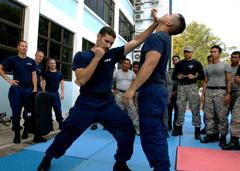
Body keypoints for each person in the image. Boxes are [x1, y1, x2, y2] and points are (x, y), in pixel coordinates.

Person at [38, 9, 161, 171]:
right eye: (106, 41)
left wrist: (155, 23)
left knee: (127, 128)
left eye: (111, 43)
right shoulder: (82, 56)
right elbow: (81, 79)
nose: (108, 45)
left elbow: (137, 40)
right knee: (67, 132)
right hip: (86, 103)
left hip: (106, 103)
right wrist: (97, 57)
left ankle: (120, 163)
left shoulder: (113, 54)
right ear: (98, 37)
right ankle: (48, 157)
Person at [123, 13, 186, 171]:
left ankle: (161, 167)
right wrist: (156, 21)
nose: (166, 14)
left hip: (151, 90)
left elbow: (149, 65)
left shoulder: (157, 38)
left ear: (170, 22)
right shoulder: (163, 37)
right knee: (157, 130)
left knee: (151, 133)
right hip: (156, 90)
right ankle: (162, 166)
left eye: (169, 14)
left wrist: (131, 89)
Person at [0, 40, 37, 143]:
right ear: (18, 47)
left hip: (29, 89)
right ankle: (17, 133)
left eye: (26, 46)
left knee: (28, 112)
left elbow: (34, 75)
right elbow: (0, 68)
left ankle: (26, 129)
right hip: (17, 90)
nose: (24, 48)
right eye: (22, 46)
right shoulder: (12, 59)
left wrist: (34, 88)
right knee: (16, 113)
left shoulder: (31, 61)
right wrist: (9, 80)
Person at [200, 45, 232, 148]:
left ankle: (222, 137)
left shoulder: (225, 65)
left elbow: (229, 80)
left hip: (221, 91)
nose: (212, 53)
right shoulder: (207, 67)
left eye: (215, 52)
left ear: (219, 53)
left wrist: (228, 93)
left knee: (222, 116)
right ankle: (210, 135)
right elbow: (205, 81)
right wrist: (203, 94)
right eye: (211, 52)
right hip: (209, 91)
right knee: (208, 115)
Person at [171, 46, 204, 140]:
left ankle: (197, 131)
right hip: (181, 87)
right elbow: (173, 76)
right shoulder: (179, 64)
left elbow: (202, 76)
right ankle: (178, 129)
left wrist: (194, 77)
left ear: (192, 52)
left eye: (188, 52)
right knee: (180, 109)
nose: (187, 53)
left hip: (192, 87)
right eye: (185, 52)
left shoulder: (196, 63)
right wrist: (178, 77)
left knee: (195, 109)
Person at [22, 50, 47, 142]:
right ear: (35, 55)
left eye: (42, 57)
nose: (40, 58)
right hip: (30, 90)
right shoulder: (30, 63)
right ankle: (25, 130)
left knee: (38, 112)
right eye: (39, 56)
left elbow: (41, 79)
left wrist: (43, 91)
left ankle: (37, 134)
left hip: (38, 92)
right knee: (28, 111)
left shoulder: (41, 66)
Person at [113, 58, 140, 135]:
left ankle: (137, 129)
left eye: (128, 64)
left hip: (128, 95)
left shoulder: (132, 73)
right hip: (119, 94)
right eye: (125, 63)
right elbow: (110, 81)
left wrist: (133, 91)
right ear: (121, 64)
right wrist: (113, 89)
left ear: (130, 65)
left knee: (133, 112)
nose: (126, 65)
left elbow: (136, 82)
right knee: (118, 112)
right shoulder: (116, 73)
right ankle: (119, 129)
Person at [222, 51, 240, 150]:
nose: (233, 59)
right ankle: (222, 136)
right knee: (223, 115)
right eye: (232, 57)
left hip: (238, 93)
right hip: (228, 93)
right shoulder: (227, 68)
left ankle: (234, 140)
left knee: (236, 117)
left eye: (236, 57)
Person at [42, 58, 64, 130]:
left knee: (58, 109)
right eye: (51, 63)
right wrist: (43, 93)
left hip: (55, 94)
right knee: (48, 110)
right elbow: (43, 83)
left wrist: (62, 93)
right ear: (48, 65)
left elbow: (62, 84)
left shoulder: (59, 73)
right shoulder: (45, 73)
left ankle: (60, 123)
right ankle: (50, 125)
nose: (53, 64)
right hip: (48, 93)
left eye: (54, 63)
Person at [166, 55, 180, 130]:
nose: (175, 61)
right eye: (173, 60)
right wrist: (170, 92)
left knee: (177, 112)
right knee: (169, 111)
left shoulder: (182, 71)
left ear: (179, 60)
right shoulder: (170, 71)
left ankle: (176, 127)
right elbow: (168, 83)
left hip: (179, 94)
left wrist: (177, 91)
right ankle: (168, 126)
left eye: (176, 60)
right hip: (170, 94)